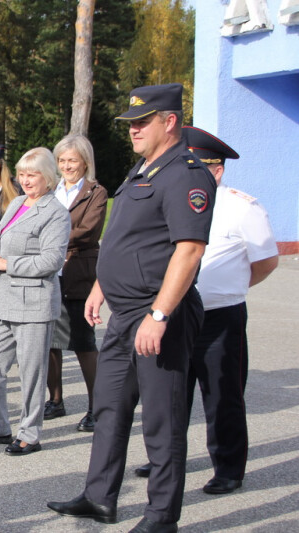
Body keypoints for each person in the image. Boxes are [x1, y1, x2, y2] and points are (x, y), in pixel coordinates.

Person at [47, 83, 216, 533]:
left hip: (158, 314)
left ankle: (161, 517)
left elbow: (189, 251)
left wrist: (159, 316)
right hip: (124, 314)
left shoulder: (186, 174)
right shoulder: (143, 169)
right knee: (109, 406)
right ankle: (100, 497)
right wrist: (101, 285)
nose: (133, 130)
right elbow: (126, 236)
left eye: (143, 122)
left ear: (170, 122)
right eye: (131, 123)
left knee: (162, 421)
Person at [134, 126, 278, 495]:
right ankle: (165, 458)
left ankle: (228, 468)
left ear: (217, 170)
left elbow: (266, 262)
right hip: (174, 312)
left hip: (219, 316)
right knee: (169, 394)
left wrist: (231, 286)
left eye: (195, 166)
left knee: (222, 393)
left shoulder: (242, 207)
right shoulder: (169, 197)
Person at [0, 147, 69, 456]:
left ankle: (30, 434)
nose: (25, 180)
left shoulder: (56, 212)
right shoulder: (17, 203)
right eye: (22, 174)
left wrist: (6, 264)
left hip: (34, 304)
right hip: (3, 301)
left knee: (31, 372)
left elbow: (51, 260)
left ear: (48, 177)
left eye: (32, 175)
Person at [44, 134, 108, 432]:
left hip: (78, 273)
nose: (67, 166)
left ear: (85, 162)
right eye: (62, 160)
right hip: (49, 274)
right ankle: (55, 400)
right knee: (49, 342)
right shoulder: (50, 189)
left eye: (72, 160)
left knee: (83, 342)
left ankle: (98, 407)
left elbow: (88, 231)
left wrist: (48, 236)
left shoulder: (96, 192)